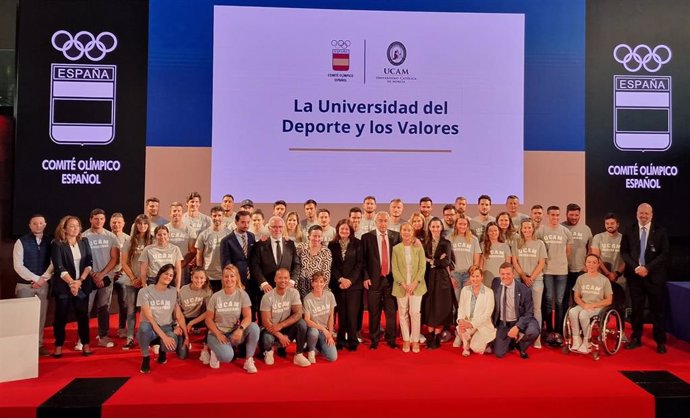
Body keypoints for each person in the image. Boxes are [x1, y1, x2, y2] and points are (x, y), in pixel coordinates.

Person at [620, 203, 670, 354]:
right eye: (641, 213)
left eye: (646, 214)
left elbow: (664, 254)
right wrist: (636, 267)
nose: (643, 216)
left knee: (657, 310)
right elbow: (624, 252)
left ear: (652, 215)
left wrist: (647, 268)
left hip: (654, 277)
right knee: (636, 309)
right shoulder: (629, 230)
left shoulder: (661, 231)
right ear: (637, 213)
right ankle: (636, 338)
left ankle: (660, 341)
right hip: (635, 277)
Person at [50, 215, 93, 358]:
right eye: (72, 226)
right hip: (64, 286)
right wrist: (72, 283)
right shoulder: (57, 244)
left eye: (77, 226)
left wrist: (79, 281)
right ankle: (58, 346)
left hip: (81, 284)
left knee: (83, 316)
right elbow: (59, 267)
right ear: (64, 228)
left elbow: (89, 263)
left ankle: (85, 344)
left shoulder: (84, 241)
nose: (75, 228)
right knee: (61, 317)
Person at [205, 264, 260, 372]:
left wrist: (241, 329)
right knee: (227, 357)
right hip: (216, 334)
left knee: (254, 327)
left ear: (237, 278)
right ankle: (214, 351)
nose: (229, 279)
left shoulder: (242, 295)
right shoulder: (216, 296)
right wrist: (218, 334)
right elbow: (208, 320)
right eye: (226, 276)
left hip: (233, 333)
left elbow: (248, 317)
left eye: (232, 276)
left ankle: (248, 360)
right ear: (222, 278)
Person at [136, 264, 188, 373]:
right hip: (150, 327)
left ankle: (162, 351)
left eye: (171, 275)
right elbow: (149, 317)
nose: (168, 277)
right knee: (143, 328)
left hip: (167, 327)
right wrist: (164, 337)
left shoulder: (173, 291)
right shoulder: (144, 292)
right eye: (166, 274)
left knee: (172, 346)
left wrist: (186, 335)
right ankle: (145, 357)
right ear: (160, 274)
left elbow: (179, 315)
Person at [14, 214, 54, 356]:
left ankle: (39, 345)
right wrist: (36, 279)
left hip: (43, 285)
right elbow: (18, 266)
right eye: (35, 223)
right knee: (23, 317)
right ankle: (23, 346)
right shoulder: (21, 241)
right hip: (24, 285)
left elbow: (53, 263)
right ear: (30, 225)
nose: (38, 226)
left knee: (40, 317)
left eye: (41, 223)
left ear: (45, 224)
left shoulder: (51, 242)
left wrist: (43, 279)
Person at [82, 208, 121, 350]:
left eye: (102, 219)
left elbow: (114, 258)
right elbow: (82, 259)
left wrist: (102, 274)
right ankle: (82, 339)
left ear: (105, 220)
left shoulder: (111, 237)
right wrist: (93, 275)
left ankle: (103, 337)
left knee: (104, 308)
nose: (99, 221)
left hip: (106, 278)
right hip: (88, 278)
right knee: (85, 308)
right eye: (96, 218)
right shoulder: (83, 236)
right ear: (91, 219)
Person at [361, 211, 401, 349]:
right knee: (374, 311)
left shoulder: (395, 236)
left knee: (391, 312)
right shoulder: (366, 237)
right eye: (380, 221)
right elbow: (363, 260)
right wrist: (365, 277)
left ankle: (391, 339)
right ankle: (374, 339)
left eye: (385, 221)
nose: (383, 223)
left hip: (391, 280)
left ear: (388, 222)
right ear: (375, 222)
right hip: (374, 280)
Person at [259, 268, 311, 367]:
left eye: (286, 278)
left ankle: (298, 355)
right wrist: (280, 336)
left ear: (289, 279)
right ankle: (269, 351)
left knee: (302, 324)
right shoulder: (267, 297)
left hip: (285, 327)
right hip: (272, 329)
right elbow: (266, 322)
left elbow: (298, 313)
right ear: (275, 279)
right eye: (280, 278)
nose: (283, 280)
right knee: (266, 338)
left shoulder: (294, 292)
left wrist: (282, 325)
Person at [536, 206, 572, 346]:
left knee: (559, 301)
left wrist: (560, 261)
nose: (555, 217)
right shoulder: (541, 231)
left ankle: (559, 330)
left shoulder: (566, 232)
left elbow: (568, 251)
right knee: (548, 299)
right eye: (552, 215)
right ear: (547, 215)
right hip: (547, 271)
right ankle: (548, 329)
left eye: (557, 215)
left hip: (562, 271)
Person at [328, 219, 364, 351]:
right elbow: (331, 265)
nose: (344, 231)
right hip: (338, 285)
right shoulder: (332, 245)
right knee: (341, 313)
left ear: (351, 231)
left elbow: (359, 264)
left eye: (346, 229)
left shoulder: (358, 244)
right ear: (338, 230)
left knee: (353, 313)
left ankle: (353, 340)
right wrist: (340, 279)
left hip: (354, 285)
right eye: (342, 229)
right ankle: (341, 340)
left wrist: (350, 280)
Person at [491, 263, 540, 359]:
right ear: (499, 274)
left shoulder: (524, 289)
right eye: (502, 274)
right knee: (499, 353)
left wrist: (518, 327)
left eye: (508, 274)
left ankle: (521, 345)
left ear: (513, 274)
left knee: (533, 331)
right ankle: (512, 341)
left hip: (519, 320)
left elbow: (529, 312)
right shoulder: (495, 283)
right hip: (503, 323)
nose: (505, 277)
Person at [511, 218, 547, 348]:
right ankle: (519, 334)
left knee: (536, 309)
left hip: (536, 279)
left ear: (533, 229)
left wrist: (531, 277)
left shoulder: (539, 244)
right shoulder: (516, 242)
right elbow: (514, 261)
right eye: (524, 228)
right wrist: (523, 276)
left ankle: (536, 337)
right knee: (519, 308)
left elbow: (541, 263)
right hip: (520, 278)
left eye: (529, 227)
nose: (526, 230)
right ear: (521, 229)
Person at [391, 222, 427, 353]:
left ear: (413, 232)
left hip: (416, 286)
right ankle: (406, 339)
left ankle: (415, 340)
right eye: (404, 230)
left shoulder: (418, 247)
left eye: (409, 230)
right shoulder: (396, 248)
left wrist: (415, 283)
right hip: (401, 286)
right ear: (401, 232)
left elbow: (422, 266)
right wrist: (403, 284)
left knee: (415, 313)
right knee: (403, 313)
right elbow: (394, 268)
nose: (406, 232)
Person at [119, 214, 153, 350]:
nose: (142, 226)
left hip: (147, 281)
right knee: (131, 310)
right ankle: (130, 337)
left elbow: (154, 261)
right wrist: (134, 278)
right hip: (132, 282)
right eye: (140, 224)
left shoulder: (152, 240)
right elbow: (124, 263)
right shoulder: (129, 241)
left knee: (147, 311)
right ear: (135, 225)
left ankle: (148, 337)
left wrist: (143, 279)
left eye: (145, 224)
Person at [568, 254, 613, 354]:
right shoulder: (581, 278)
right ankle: (576, 339)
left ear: (598, 265)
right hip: (583, 304)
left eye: (594, 262)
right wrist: (584, 306)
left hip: (598, 307)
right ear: (585, 264)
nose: (591, 265)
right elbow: (576, 297)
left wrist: (592, 306)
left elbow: (609, 300)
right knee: (572, 312)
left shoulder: (604, 280)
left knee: (583, 315)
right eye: (589, 262)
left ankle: (586, 341)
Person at [421, 217, 454, 349]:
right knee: (429, 307)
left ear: (441, 228)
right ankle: (430, 337)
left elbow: (447, 262)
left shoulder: (446, 243)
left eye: (437, 226)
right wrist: (437, 260)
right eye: (433, 226)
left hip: (442, 278)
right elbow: (421, 260)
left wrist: (431, 261)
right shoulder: (425, 243)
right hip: (428, 278)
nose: (435, 229)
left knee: (440, 307)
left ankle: (437, 338)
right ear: (429, 228)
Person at [220, 210, 258, 319]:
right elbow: (226, 265)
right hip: (237, 280)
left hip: (252, 279)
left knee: (251, 304)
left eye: (248, 222)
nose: (246, 225)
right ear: (236, 222)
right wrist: (233, 280)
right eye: (243, 222)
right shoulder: (226, 241)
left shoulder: (251, 236)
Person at [250, 216, 300, 294]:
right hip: (266, 290)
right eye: (274, 227)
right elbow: (255, 266)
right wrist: (263, 283)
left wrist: (292, 281)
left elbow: (296, 264)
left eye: (280, 227)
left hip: (287, 288)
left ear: (283, 228)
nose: (277, 229)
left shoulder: (290, 244)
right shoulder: (259, 245)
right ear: (269, 229)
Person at [590, 213, 627, 316]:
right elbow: (595, 257)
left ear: (617, 224)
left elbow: (627, 259)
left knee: (619, 307)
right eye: (607, 223)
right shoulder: (598, 237)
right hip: (601, 278)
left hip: (619, 279)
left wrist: (616, 273)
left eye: (612, 223)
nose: (609, 225)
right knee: (600, 306)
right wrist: (607, 273)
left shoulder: (624, 238)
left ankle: (621, 329)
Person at [562, 203, 592, 322]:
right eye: (571, 215)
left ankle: (579, 324)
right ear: (566, 214)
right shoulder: (561, 228)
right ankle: (563, 326)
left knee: (579, 299)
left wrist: (587, 266)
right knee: (563, 300)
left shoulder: (586, 229)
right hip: (563, 270)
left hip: (580, 271)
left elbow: (590, 249)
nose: (574, 217)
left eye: (576, 215)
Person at [456, 265, 496, 356]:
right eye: (473, 276)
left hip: (482, 326)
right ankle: (466, 345)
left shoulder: (489, 292)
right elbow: (461, 308)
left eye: (477, 276)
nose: (475, 279)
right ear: (470, 277)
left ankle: (474, 342)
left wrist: (472, 324)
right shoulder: (464, 290)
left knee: (476, 348)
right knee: (460, 327)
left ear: (482, 277)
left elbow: (487, 314)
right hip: (467, 323)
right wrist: (461, 320)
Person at [177, 267, 212, 361]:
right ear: (192, 278)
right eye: (196, 278)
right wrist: (180, 326)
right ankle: (185, 341)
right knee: (182, 355)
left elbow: (209, 312)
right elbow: (178, 311)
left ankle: (205, 348)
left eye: (202, 278)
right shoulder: (183, 290)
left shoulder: (207, 291)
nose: (199, 280)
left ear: (205, 279)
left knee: (212, 320)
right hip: (184, 318)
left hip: (199, 318)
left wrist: (192, 323)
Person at [304, 272, 338, 363]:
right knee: (314, 332)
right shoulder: (307, 299)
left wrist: (330, 334)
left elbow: (331, 317)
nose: (319, 284)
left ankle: (318, 346)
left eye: (321, 282)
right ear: (312, 283)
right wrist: (323, 329)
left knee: (332, 357)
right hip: (313, 329)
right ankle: (311, 350)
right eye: (316, 282)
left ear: (324, 283)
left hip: (325, 331)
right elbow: (307, 320)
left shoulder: (330, 295)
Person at [195, 206, 231, 292]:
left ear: (223, 217)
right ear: (211, 216)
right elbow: (199, 256)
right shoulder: (204, 234)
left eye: (219, 215)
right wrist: (201, 273)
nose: (217, 218)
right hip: (208, 275)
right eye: (214, 216)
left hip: (224, 275)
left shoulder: (229, 234)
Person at [165, 202, 197, 286]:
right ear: (170, 213)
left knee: (180, 292)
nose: (177, 213)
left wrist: (183, 264)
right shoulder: (165, 229)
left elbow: (193, 251)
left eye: (179, 211)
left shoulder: (189, 230)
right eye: (174, 211)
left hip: (183, 267)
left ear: (182, 213)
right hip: (166, 266)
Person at [109, 213, 130, 340]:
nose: (116, 224)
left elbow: (131, 258)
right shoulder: (107, 237)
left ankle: (122, 328)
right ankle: (103, 331)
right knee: (104, 303)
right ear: (110, 223)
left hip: (123, 275)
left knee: (124, 303)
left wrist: (122, 271)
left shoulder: (128, 239)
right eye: (114, 222)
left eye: (119, 222)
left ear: (123, 224)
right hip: (108, 275)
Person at [296, 225, 333, 299]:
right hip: (300, 287)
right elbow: (295, 267)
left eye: (319, 236)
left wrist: (322, 288)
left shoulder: (326, 251)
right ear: (309, 236)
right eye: (314, 236)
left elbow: (326, 272)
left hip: (317, 287)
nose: (317, 239)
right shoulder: (300, 247)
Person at [479, 222, 511, 287]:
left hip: (501, 278)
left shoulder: (505, 246)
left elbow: (507, 264)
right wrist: (480, 277)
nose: (493, 233)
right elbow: (480, 265)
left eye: (495, 230)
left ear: (499, 231)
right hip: (487, 277)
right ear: (487, 233)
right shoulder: (482, 245)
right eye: (490, 231)